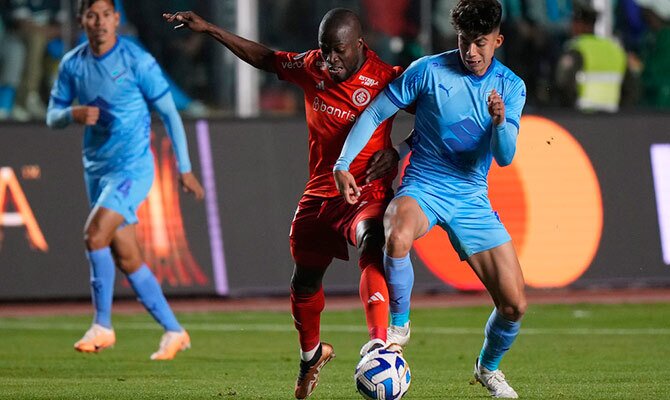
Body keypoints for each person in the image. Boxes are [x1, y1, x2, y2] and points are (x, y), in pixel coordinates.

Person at [163, 8, 401, 399]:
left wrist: (399, 151)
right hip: (321, 191)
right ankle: (311, 356)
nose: (330, 60)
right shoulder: (313, 66)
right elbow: (266, 58)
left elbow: (433, 112)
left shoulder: (386, 79)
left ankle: (379, 345)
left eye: (338, 51)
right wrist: (209, 29)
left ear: (359, 45)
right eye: (325, 50)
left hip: (366, 191)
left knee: (373, 241)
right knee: (304, 279)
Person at [333, 0, 526, 398]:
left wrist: (500, 122)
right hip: (425, 185)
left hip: (471, 196)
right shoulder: (428, 70)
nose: (471, 52)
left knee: (513, 306)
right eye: (463, 41)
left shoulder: (510, 86)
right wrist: (344, 162)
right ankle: (399, 326)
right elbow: (373, 113)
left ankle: (487, 369)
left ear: (498, 41)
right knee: (396, 234)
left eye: (480, 43)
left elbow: (505, 158)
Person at [46, 0, 204, 361]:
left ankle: (102, 325)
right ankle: (174, 331)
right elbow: (51, 116)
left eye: (105, 14)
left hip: (133, 167)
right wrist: (71, 113)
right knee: (127, 255)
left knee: (94, 234)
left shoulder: (137, 61)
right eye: (91, 15)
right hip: (96, 169)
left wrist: (184, 167)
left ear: (116, 19)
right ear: (81, 20)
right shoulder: (73, 64)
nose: (99, 21)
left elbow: (170, 113)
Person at [555, 3, 627, 112]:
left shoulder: (577, 49)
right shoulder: (614, 49)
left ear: (582, 25)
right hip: (613, 119)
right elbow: (630, 88)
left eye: (575, 23)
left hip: (582, 117)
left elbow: (563, 83)